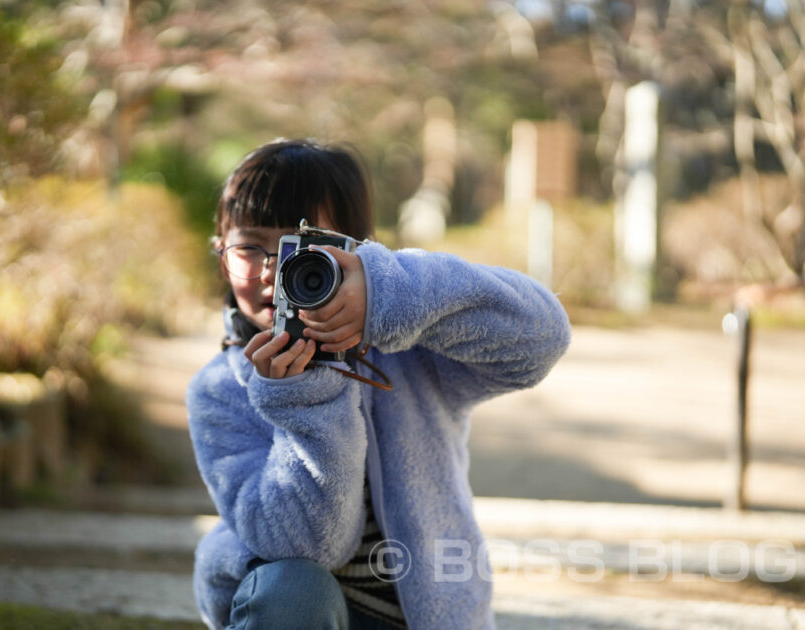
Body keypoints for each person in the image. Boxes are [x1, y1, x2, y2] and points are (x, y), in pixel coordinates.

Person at [186, 138, 571, 630]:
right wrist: (302, 398)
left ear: (353, 254)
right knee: (292, 589)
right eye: (249, 247)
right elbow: (309, 547)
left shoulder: (409, 353)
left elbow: (541, 337)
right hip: (298, 615)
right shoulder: (220, 391)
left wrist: (391, 291)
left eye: (296, 250)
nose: (272, 273)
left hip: (423, 619)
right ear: (221, 252)